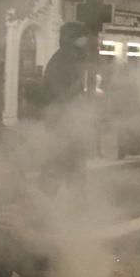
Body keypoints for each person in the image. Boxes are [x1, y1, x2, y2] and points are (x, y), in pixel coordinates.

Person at [39, 22, 92, 181]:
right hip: (61, 124)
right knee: (58, 171)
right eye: (82, 37)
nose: (86, 41)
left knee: (71, 172)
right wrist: (78, 88)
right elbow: (59, 96)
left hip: (68, 125)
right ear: (72, 39)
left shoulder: (72, 59)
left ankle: (72, 202)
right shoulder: (61, 61)